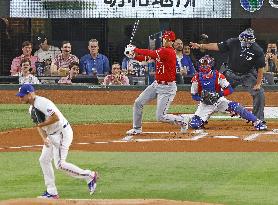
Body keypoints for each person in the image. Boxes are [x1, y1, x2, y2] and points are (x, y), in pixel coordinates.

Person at [16, 84, 98, 199]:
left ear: (29, 94)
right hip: (51, 136)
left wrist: (42, 125)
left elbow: (55, 118)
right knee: (44, 160)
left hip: (61, 134)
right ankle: (52, 192)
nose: (20, 98)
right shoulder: (31, 108)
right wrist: (44, 138)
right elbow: (39, 126)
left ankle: (89, 175)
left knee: (60, 164)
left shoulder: (42, 103)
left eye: (22, 96)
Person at [190, 28, 266, 123]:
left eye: (247, 41)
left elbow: (260, 68)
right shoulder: (233, 42)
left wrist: (258, 84)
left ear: (252, 41)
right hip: (230, 72)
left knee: (259, 93)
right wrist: (200, 45)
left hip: (247, 74)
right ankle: (203, 117)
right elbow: (216, 46)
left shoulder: (257, 50)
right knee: (212, 92)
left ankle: (258, 119)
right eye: (243, 41)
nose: (245, 43)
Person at [124, 31, 188, 135]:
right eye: (164, 38)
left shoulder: (169, 51)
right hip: (156, 84)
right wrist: (133, 56)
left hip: (167, 88)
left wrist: (135, 49)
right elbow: (146, 58)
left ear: (172, 42)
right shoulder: (161, 51)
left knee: (160, 117)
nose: (165, 40)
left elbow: (150, 53)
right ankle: (137, 128)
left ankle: (182, 120)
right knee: (138, 102)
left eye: (167, 39)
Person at [182, 55, 267, 131]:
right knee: (194, 125)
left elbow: (229, 89)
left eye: (206, 64)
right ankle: (201, 120)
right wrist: (202, 98)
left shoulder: (218, 75)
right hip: (205, 104)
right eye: (202, 64)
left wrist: (218, 94)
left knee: (236, 106)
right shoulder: (196, 78)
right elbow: (194, 96)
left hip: (219, 100)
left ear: (211, 65)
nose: (204, 66)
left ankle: (257, 122)